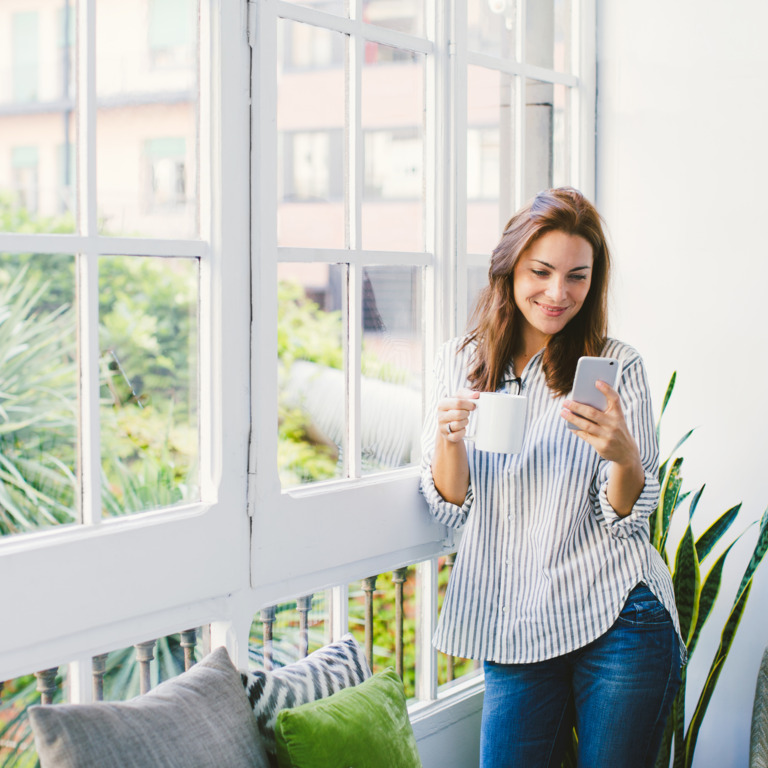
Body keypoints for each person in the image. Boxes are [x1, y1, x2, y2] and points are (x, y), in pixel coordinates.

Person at [420, 187, 684, 768]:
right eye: (541, 271)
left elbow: (623, 519)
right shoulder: (460, 361)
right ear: (509, 266)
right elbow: (450, 504)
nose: (557, 293)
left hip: (619, 617)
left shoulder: (617, 366)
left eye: (577, 277)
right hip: (516, 622)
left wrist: (623, 456)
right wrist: (448, 437)